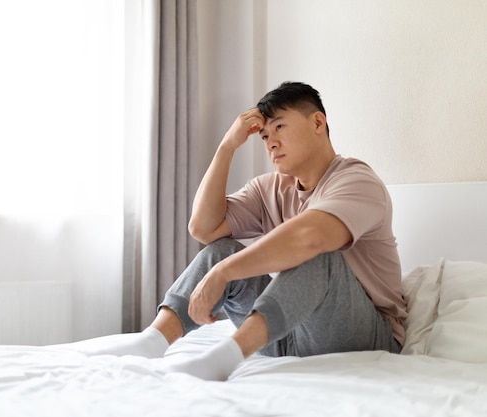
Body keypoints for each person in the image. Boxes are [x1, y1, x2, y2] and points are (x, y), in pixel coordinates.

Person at [81, 81, 407, 381]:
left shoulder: (356, 180)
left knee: (318, 256)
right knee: (220, 250)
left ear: (318, 123)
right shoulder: (271, 189)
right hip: (287, 336)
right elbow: (203, 228)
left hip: (364, 336)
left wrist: (224, 274)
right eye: (265, 136)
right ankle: (152, 341)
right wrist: (227, 146)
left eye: (279, 127)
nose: (271, 142)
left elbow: (311, 237)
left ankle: (226, 357)